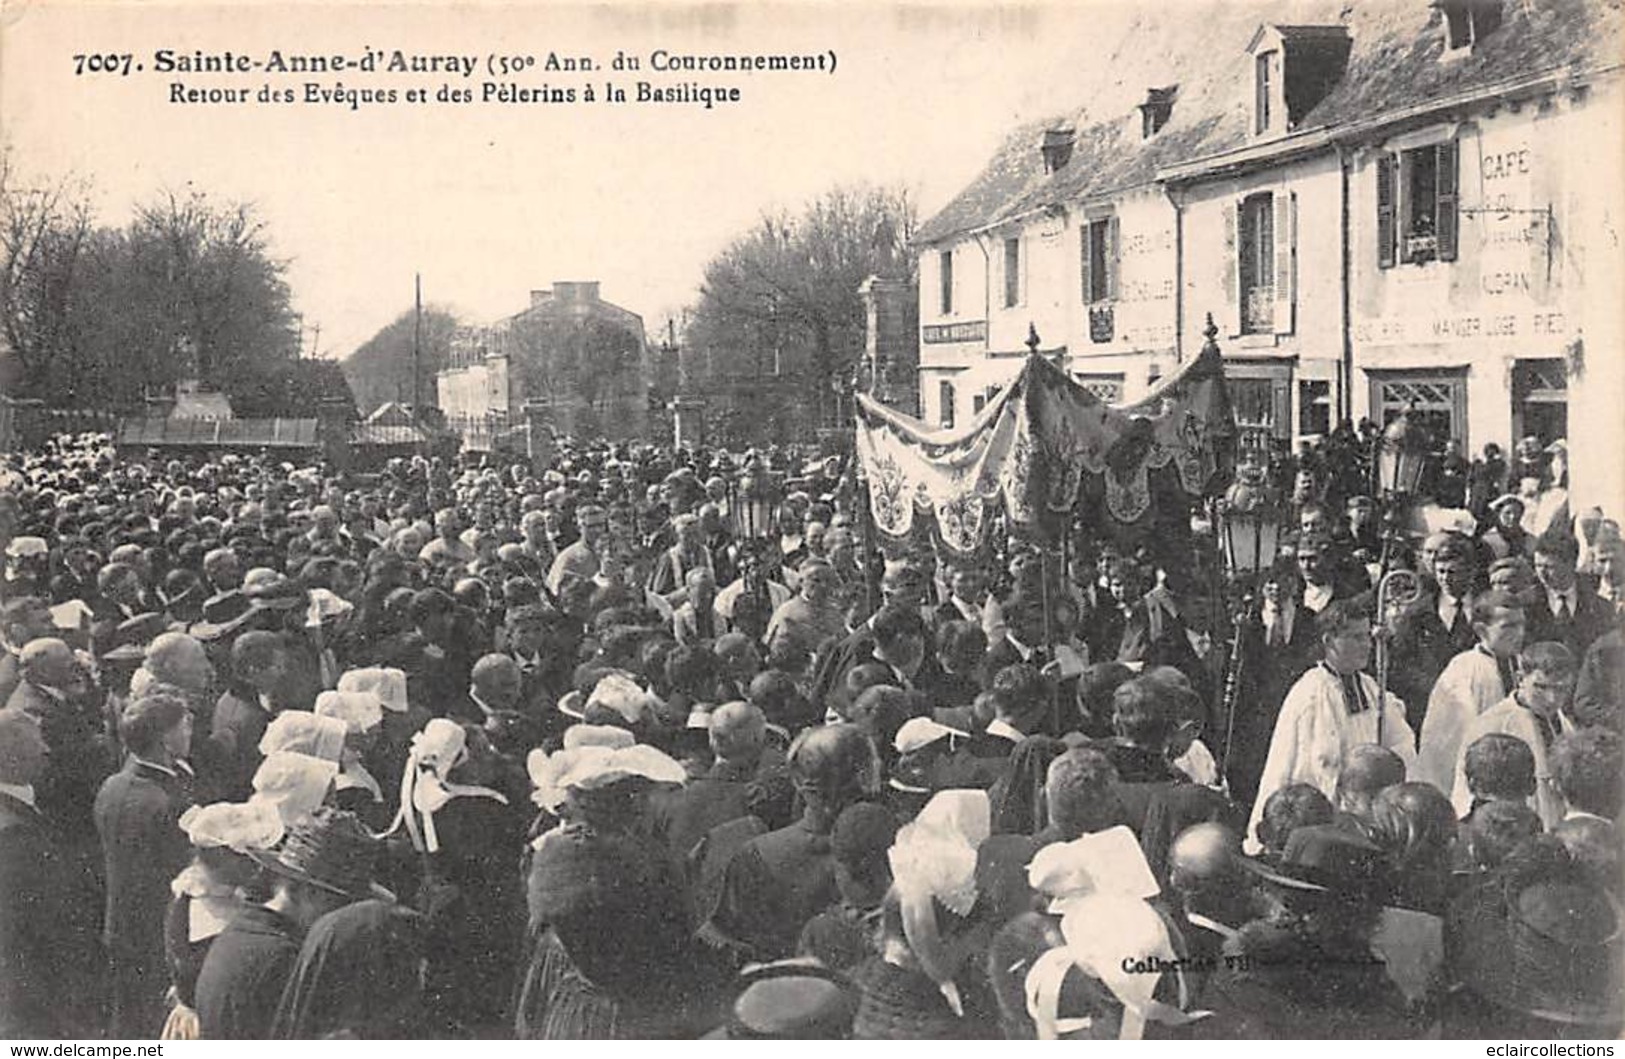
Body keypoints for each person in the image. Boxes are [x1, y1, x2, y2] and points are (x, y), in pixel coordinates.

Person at [194, 808, 381, 1039]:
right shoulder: (287, 960)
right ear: (311, 892)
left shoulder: (240, 928)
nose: (344, 916)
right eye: (343, 903)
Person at [1246, 602, 1416, 853]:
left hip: (1369, 812)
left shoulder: (1371, 687)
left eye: (1367, 636)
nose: (1368, 645)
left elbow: (1401, 743)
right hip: (1322, 818)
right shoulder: (1309, 693)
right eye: (1356, 637)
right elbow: (1286, 763)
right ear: (1329, 641)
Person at [705, 723, 877, 962]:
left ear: (798, 781)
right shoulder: (899, 844)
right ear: (867, 776)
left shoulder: (755, 854)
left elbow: (726, 938)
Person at [95, 688, 198, 1037]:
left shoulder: (112, 785)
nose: (189, 733)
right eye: (184, 727)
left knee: (128, 1018)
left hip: (120, 927)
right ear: (164, 739)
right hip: (157, 934)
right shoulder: (169, 802)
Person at [0, 709, 102, 1038]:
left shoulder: (20, 807)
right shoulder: (11, 832)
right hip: (37, 982)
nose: (46, 749)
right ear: (6, 756)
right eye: (36, 742)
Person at [1449, 641, 1576, 827]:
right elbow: (1466, 794)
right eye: (1541, 687)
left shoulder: (1564, 723)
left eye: (1561, 689)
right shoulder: (1491, 724)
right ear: (1520, 679)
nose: (1552, 699)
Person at [1418, 591, 1527, 791]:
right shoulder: (1464, 670)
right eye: (1509, 627)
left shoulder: (1525, 665)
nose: (1519, 633)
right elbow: (1446, 741)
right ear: (1481, 630)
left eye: (1521, 624)